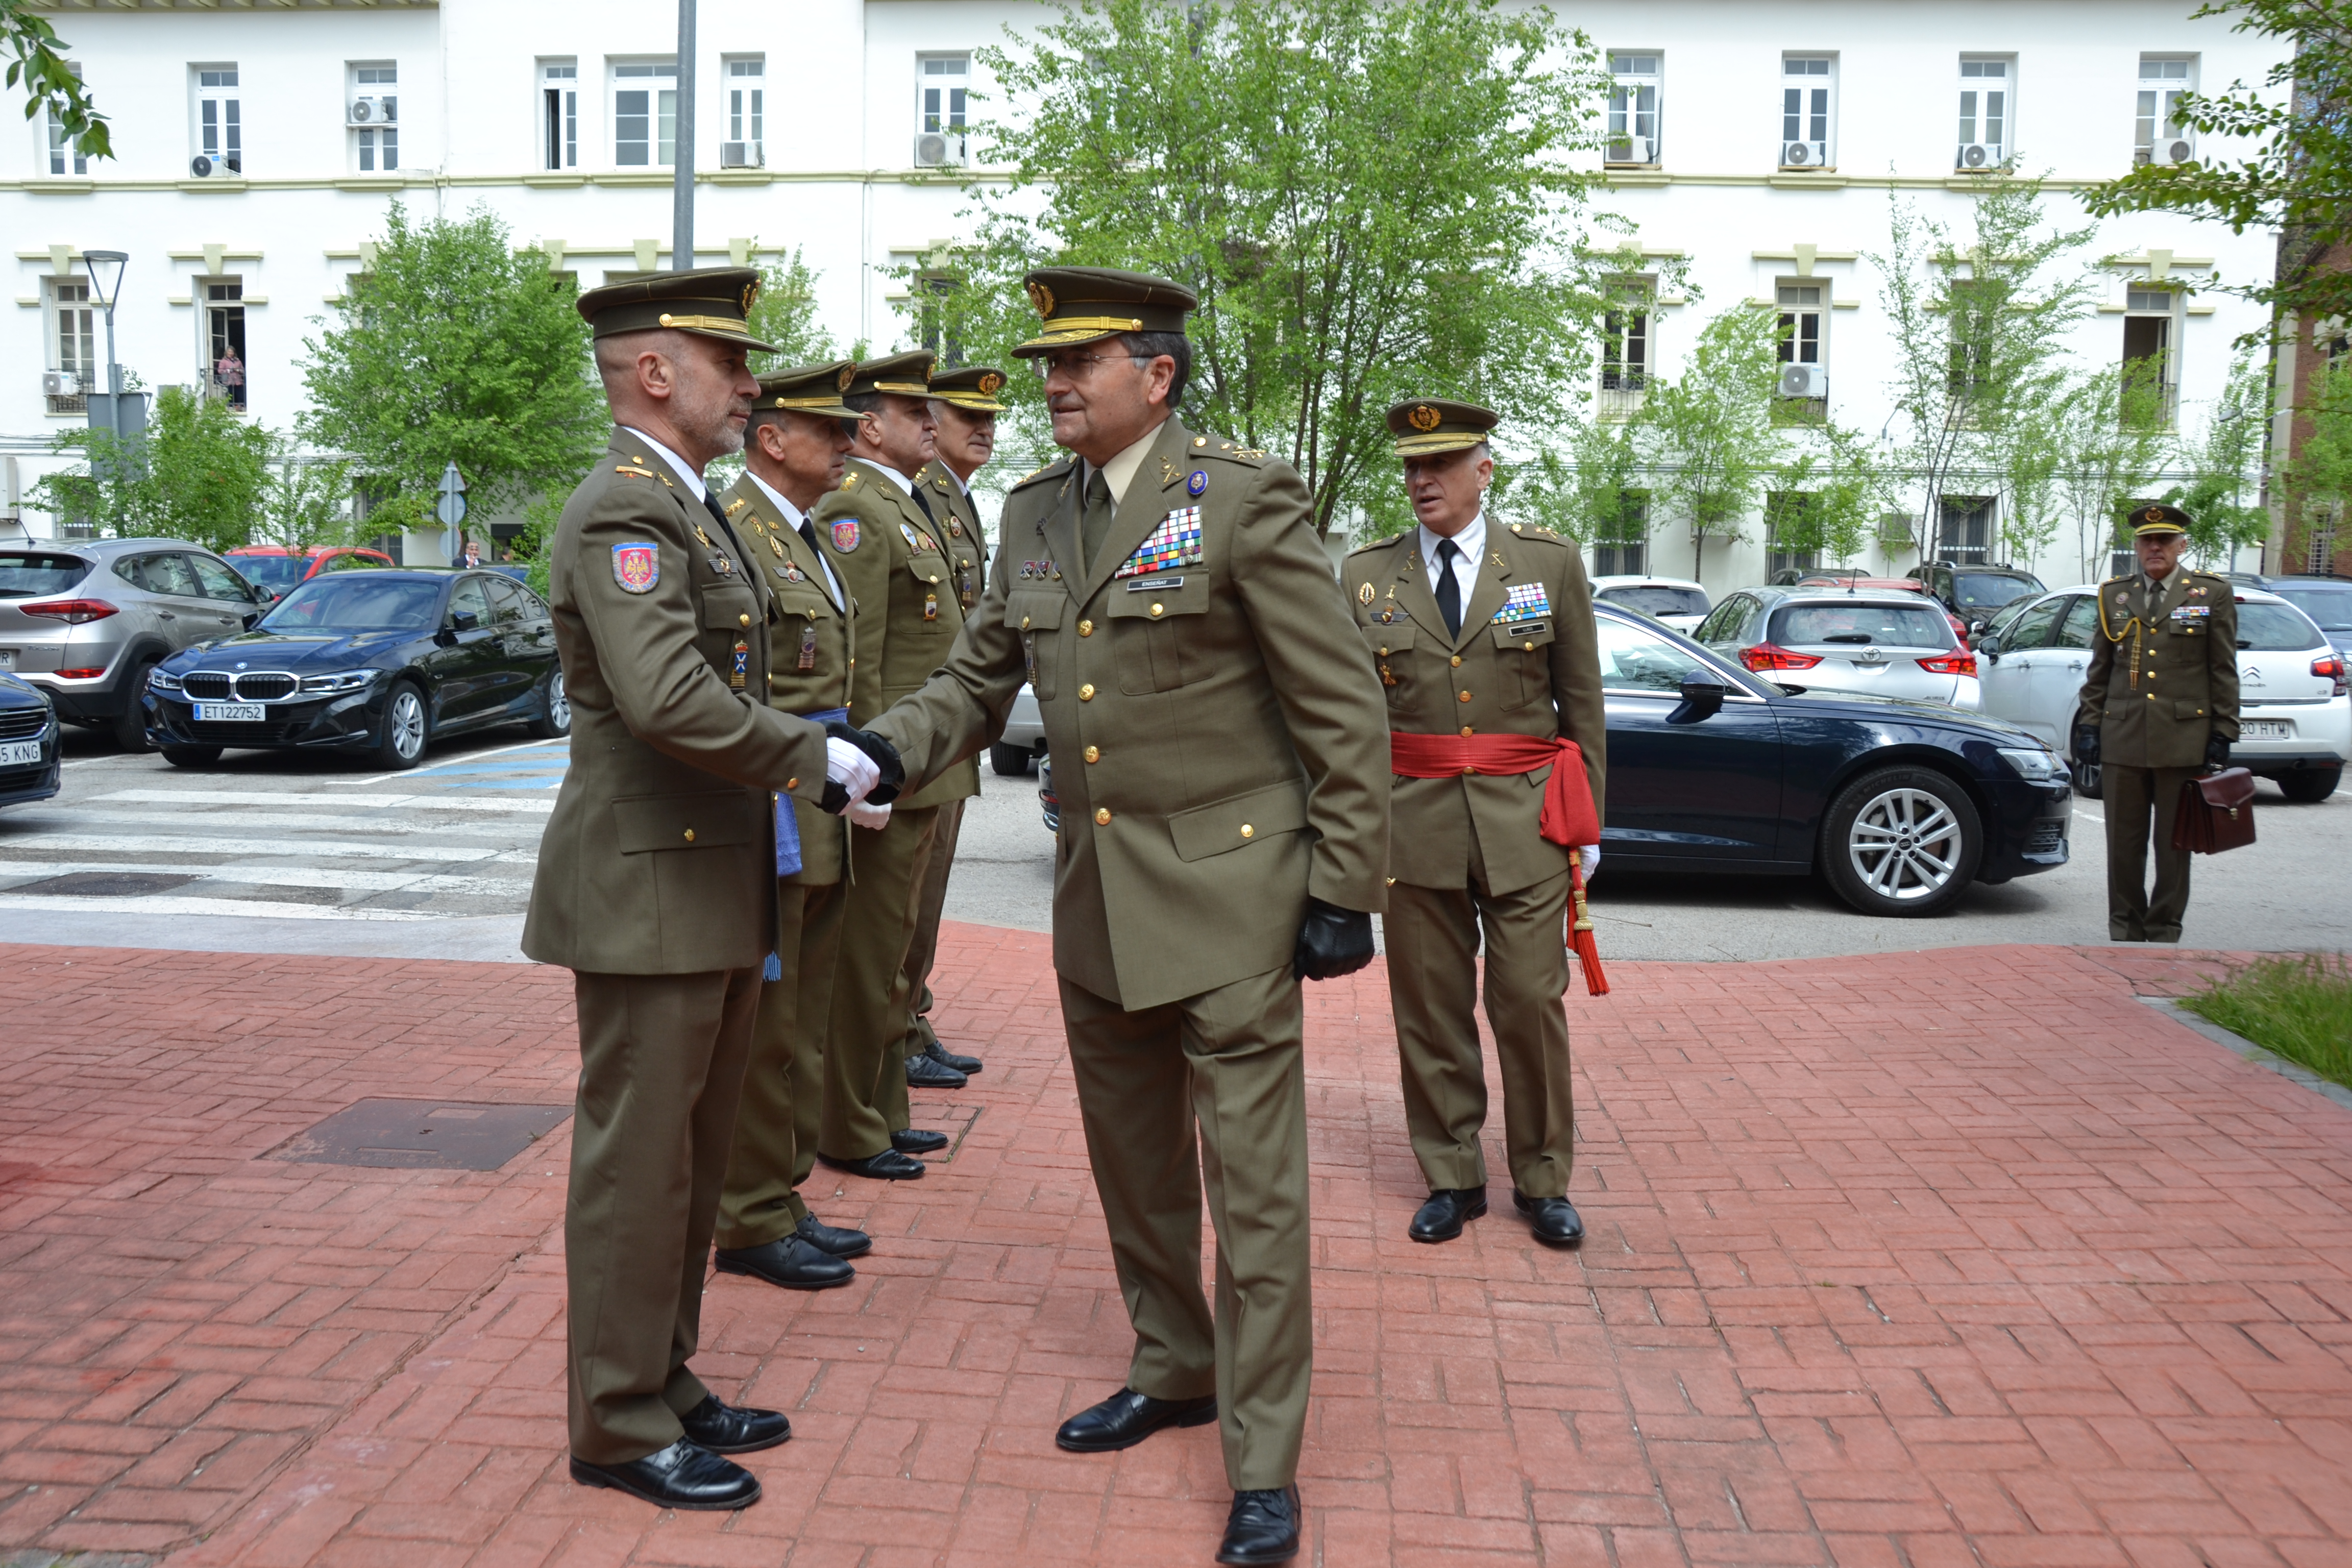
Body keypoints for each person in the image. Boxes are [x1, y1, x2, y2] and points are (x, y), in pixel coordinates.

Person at [862, 267, 1390, 1568]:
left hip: (1233, 894)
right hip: (1096, 895)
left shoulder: (1243, 497)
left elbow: (1339, 704)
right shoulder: (1036, 510)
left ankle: (1262, 1459)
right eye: (1047, 362)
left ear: (1156, 376)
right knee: (1136, 1168)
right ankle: (1173, 1365)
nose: (1051, 383)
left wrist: (1344, 886)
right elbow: (977, 678)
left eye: (1077, 361)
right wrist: (881, 747)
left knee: (1253, 1191)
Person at [522, 268, 900, 1512]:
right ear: (653, 373)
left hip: (708, 878)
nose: (751, 383)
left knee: (687, 1159)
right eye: (730, 362)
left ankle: (663, 1376)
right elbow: (668, 698)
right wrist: (819, 760)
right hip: (649, 890)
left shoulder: (693, 506)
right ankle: (617, 1419)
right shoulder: (623, 511)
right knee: (638, 1168)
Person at [1343, 400, 1606, 1249]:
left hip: (1525, 821)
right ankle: (1452, 1176)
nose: (1422, 480)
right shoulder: (1365, 577)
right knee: (1430, 1009)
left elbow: (1583, 704)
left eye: (1441, 464)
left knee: (1529, 999)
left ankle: (1543, 1179)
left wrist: (1588, 825)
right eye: (1412, 467)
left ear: (1483, 471)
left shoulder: (1546, 562)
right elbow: (1350, 720)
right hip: (1413, 821)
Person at [711, 360, 872, 1291]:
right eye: (830, 430)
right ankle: (748, 1213)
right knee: (767, 1028)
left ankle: (781, 1190)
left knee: (803, 1021)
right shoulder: (737, 528)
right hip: (775, 798)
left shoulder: (802, 534)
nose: (849, 443)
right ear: (771, 439)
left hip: (818, 799)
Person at [810, 352, 982, 1180]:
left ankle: (881, 1111)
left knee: (892, 961)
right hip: (891, 773)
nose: (932, 423)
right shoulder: (857, 506)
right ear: (870, 427)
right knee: (867, 960)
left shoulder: (907, 503)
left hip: (924, 768)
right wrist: (868, 773)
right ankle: (848, 1123)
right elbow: (858, 663)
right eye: (916, 412)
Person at [894, 364, 1009, 1091]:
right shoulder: (918, 492)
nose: (985, 431)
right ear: (931, 425)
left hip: (952, 733)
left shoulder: (956, 497)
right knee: (906, 899)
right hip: (923, 729)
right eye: (970, 417)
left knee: (927, 894)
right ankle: (897, 1032)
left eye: (991, 419)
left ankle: (911, 1018)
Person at [2071, 503, 2240, 942]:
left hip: (2182, 739)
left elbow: (2222, 669)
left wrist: (2224, 730)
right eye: (2147, 541)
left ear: (2182, 546)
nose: (2155, 548)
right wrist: (2090, 726)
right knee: (2123, 844)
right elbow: (2100, 670)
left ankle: (2164, 928)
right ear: (2137, 547)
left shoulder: (2209, 594)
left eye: (2164, 540)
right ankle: (2125, 928)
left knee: (2173, 844)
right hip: (2123, 736)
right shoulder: (2114, 595)